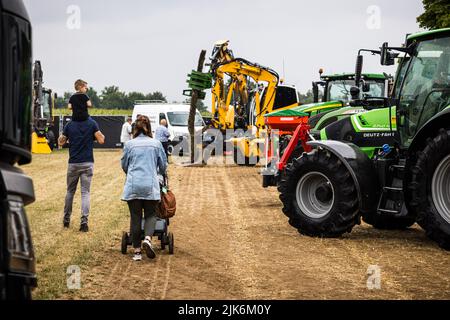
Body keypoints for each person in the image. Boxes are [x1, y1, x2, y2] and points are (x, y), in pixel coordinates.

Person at [121, 115, 167, 261]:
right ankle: (147, 238)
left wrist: (131, 173)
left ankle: (136, 252)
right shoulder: (156, 144)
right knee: (151, 214)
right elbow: (163, 165)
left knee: (135, 217)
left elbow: (124, 165)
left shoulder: (129, 145)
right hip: (150, 184)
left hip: (134, 184)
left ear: (135, 128)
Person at [58, 118, 105, 232]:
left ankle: (66, 220)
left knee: (70, 192)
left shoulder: (69, 125)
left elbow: (60, 142)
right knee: (85, 193)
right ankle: (84, 222)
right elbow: (101, 140)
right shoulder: (92, 123)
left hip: (73, 163)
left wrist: (66, 135)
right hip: (87, 162)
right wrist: (92, 136)